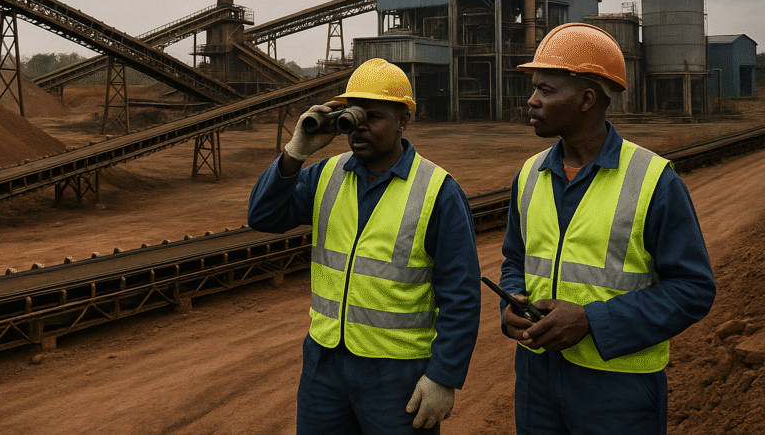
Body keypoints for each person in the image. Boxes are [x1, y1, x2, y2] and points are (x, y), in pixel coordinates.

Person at [498, 23, 716, 434]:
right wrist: (510, 303)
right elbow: (515, 259)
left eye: (546, 90)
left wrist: (593, 321)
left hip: (619, 388)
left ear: (586, 99)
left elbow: (693, 289)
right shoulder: (529, 175)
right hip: (537, 381)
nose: (531, 100)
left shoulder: (653, 181)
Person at [248, 58, 480, 434]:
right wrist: (296, 150)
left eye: (373, 116)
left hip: (398, 374)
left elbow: (462, 295)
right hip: (325, 365)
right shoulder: (326, 175)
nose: (359, 128)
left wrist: (443, 376)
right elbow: (263, 216)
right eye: (352, 117)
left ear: (403, 120)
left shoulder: (438, 191)